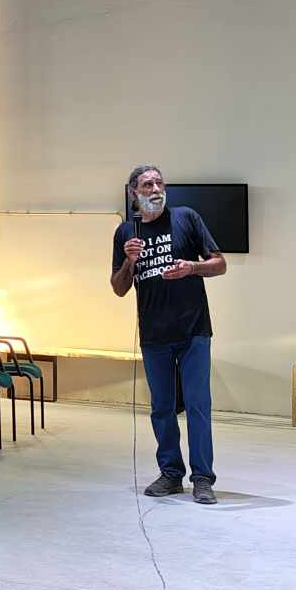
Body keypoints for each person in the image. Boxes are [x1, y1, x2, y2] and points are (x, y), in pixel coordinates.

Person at [111, 165, 227, 506]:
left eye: (159, 183)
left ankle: (202, 478)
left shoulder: (186, 218)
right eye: (147, 184)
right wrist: (129, 262)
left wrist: (193, 267)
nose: (155, 189)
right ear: (134, 192)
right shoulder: (125, 232)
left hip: (193, 330)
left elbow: (220, 264)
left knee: (197, 405)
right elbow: (118, 288)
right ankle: (171, 474)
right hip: (154, 334)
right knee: (162, 407)